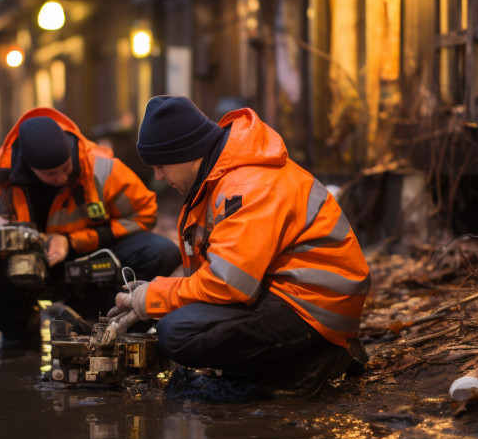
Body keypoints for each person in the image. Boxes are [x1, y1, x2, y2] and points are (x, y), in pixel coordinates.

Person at [109, 96, 370, 395]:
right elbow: (226, 271)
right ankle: (288, 359)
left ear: (187, 152)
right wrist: (158, 291)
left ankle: (311, 362)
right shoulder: (224, 176)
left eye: (161, 165)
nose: (158, 176)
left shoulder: (246, 187)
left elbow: (228, 284)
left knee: (179, 333)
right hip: (300, 297)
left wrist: (155, 296)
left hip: (316, 309)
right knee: (180, 320)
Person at [0, 107, 181, 348]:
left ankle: (89, 321)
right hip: (24, 269)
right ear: (29, 167)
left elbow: (145, 212)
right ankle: (21, 332)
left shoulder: (100, 167)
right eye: (52, 173)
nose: (62, 177)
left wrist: (73, 240)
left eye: (66, 167)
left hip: (87, 259)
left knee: (162, 251)